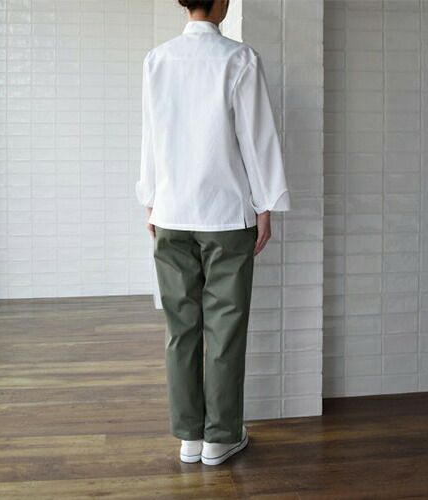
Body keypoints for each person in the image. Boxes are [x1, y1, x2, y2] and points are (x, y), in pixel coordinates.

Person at [135, 0, 290, 466]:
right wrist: (266, 204)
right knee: (225, 329)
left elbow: (152, 136)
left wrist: (150, 198)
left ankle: (189, 438)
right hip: (226, 215)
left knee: (180, 328)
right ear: (221, 1)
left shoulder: (157, 59)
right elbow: (257, 139)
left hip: (172, 212)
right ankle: (220, 438)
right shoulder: (240, 59)